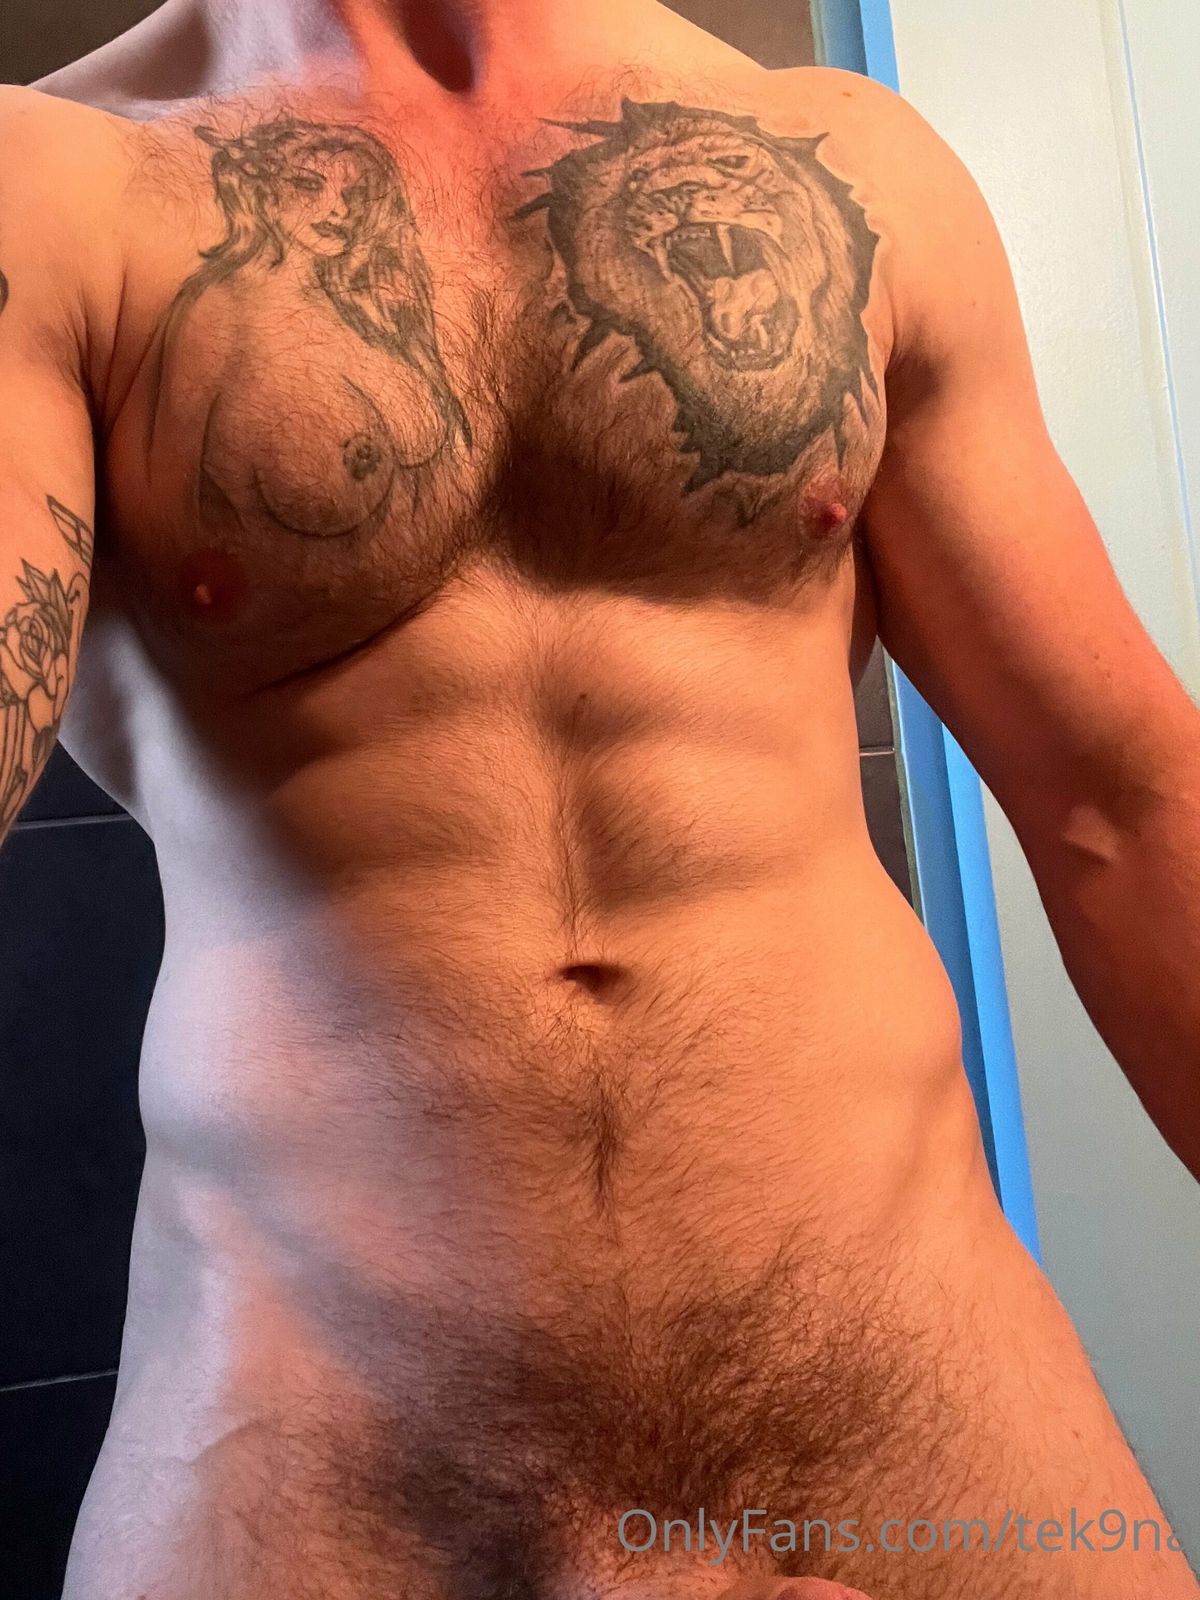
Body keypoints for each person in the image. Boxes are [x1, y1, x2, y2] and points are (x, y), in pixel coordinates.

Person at [1, 0, 1197, 1595]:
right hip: (322, 1475)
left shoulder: (855, 168)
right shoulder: (58, 187)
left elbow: (1125, 804)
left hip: (918, 1414)